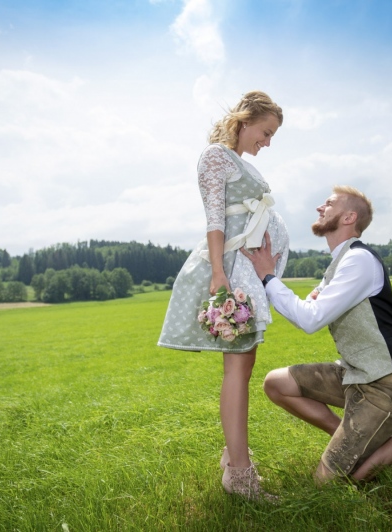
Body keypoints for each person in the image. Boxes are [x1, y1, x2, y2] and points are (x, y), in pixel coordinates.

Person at [240, 185, 392, 485]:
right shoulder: (339, 264)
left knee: (329, 483)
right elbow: (308, 307)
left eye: (329, 203)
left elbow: (309, 319)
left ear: (349, 217)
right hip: (354, 375)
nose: (320, 208)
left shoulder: (359, 261)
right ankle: (355, 440)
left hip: (387, 385)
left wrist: (268, 277)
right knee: (276, 384)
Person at [158, 91, 289, 500]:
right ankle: (239, 473)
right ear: (244, 121)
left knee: (243, 367)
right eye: (265, 132)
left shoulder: (234, 161)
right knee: (238, 368)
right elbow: (215, 218)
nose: (266, 142)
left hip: (246, 270)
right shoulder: (215, 155)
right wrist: (219, 273)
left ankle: (235, 458)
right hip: (232, 270)